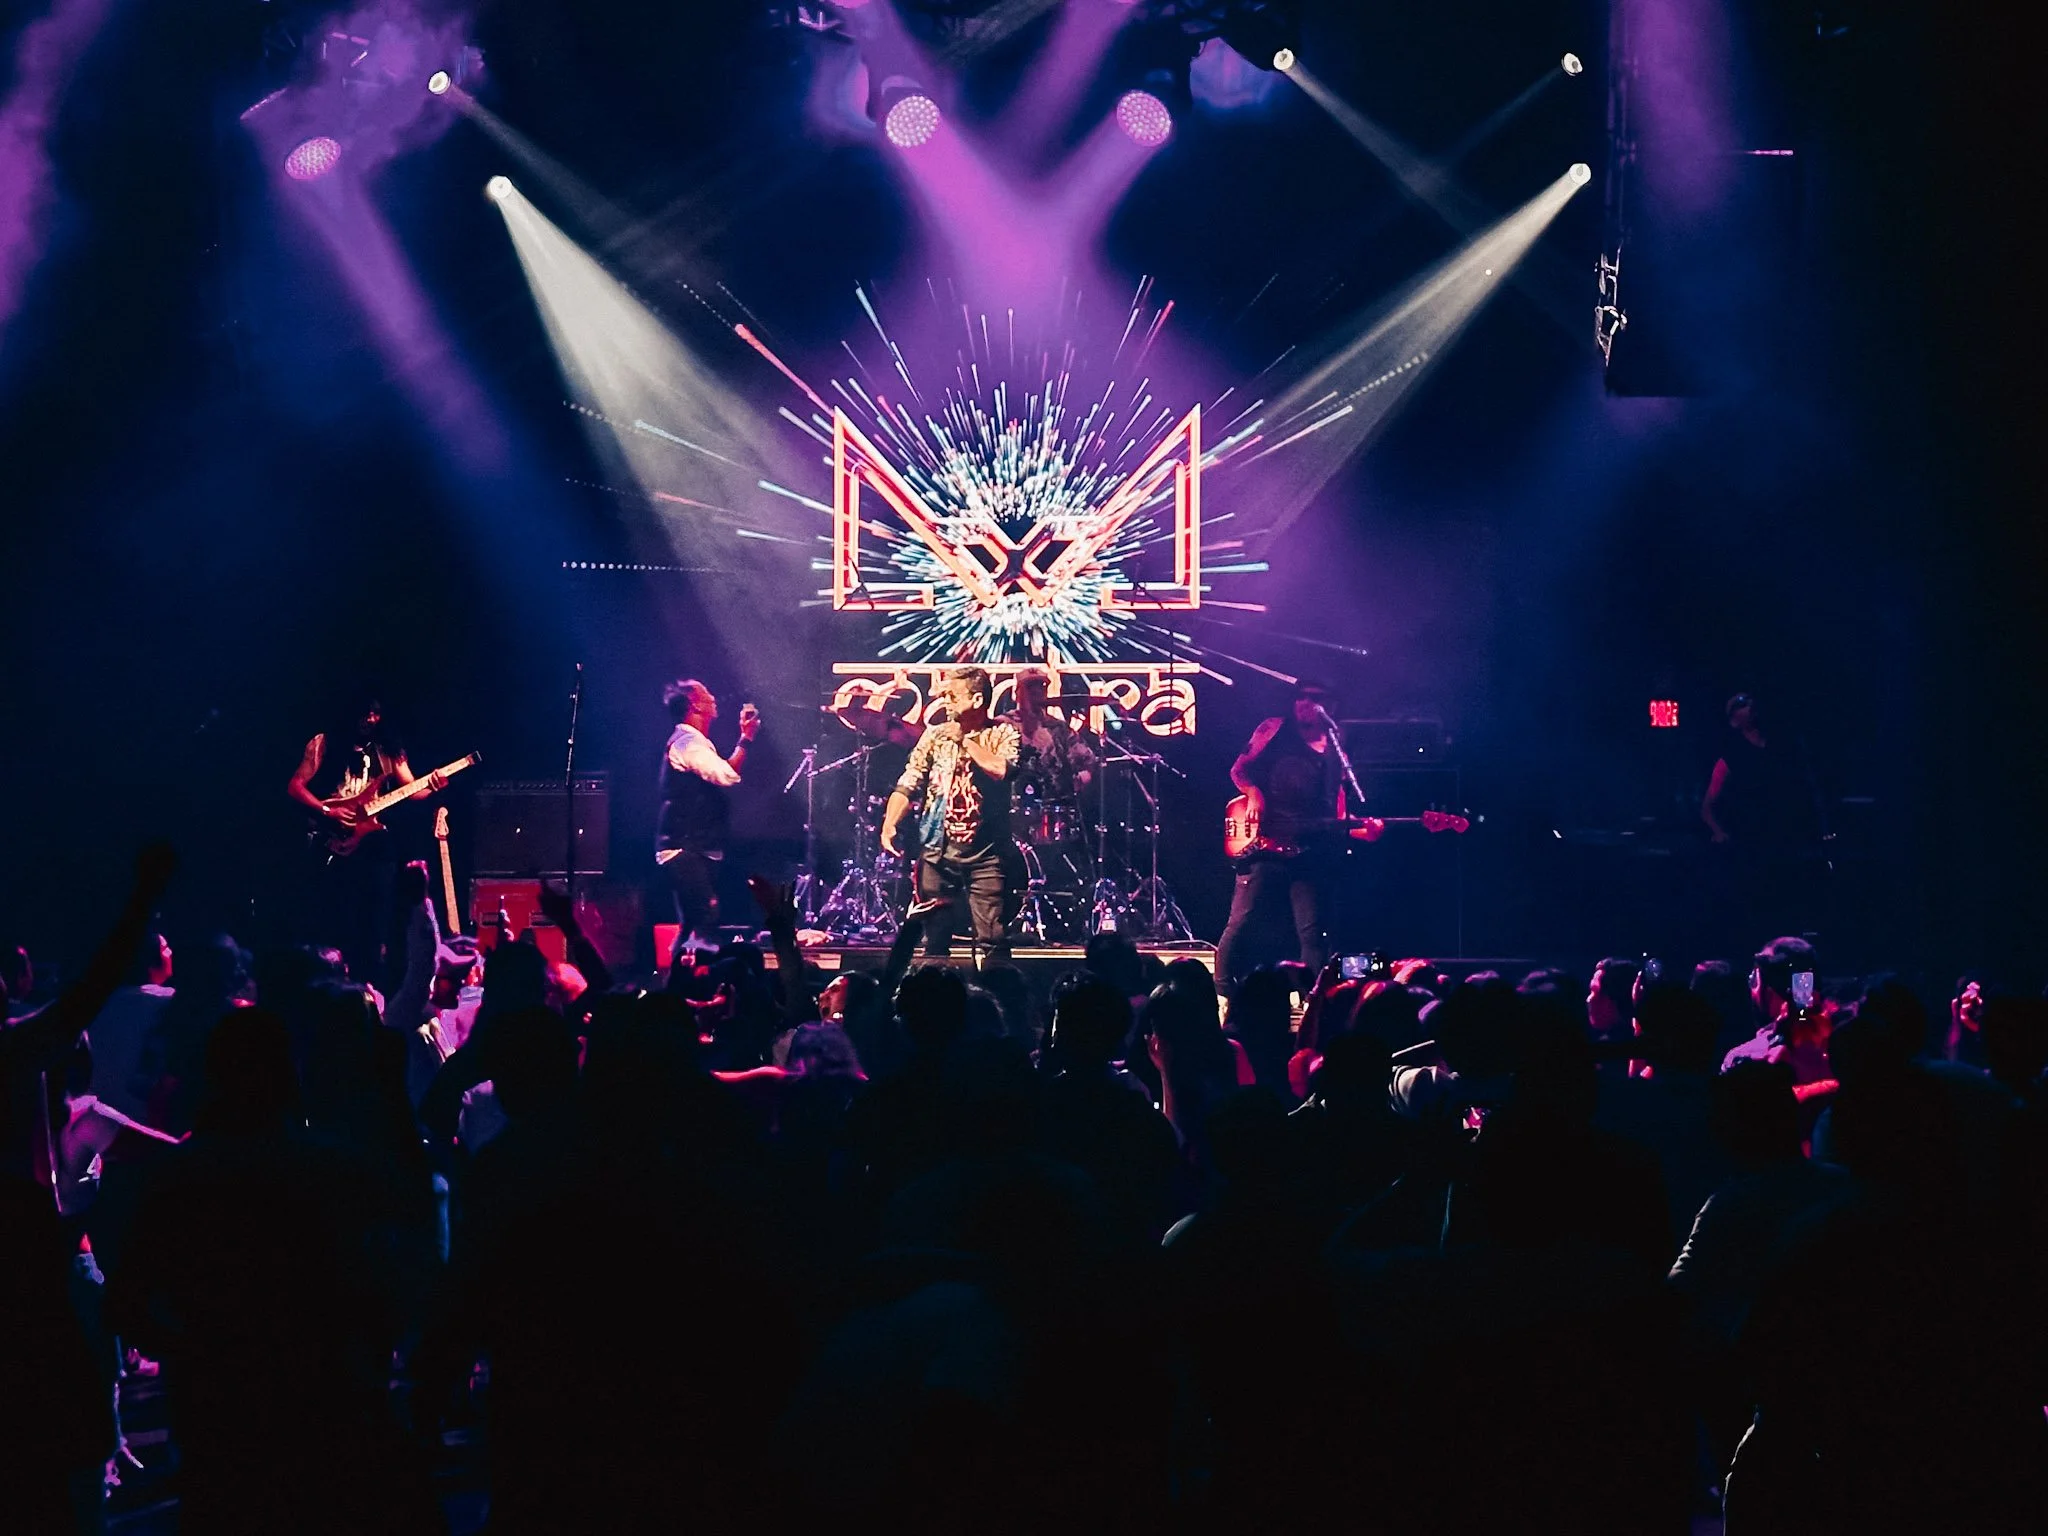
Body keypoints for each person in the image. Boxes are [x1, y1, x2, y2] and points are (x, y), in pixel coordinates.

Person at [1214, 678, 1378, 987]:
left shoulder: (1337, 747)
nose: (1304, 703)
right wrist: (1252, 793)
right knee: (1242, 921)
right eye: (1300, 697)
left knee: (1314, 932)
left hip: (1309, 849)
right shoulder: (1273, 728)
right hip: (1263, 842)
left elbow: (1338, 815)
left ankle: (1315, 997)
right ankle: (1221, 991)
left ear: (1331, 705)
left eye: (1314, 698)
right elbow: (1238, 769)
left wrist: (1362, 831)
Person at [287, 696, 444, 980]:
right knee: (333, 916)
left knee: (373, 918)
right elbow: (296, 786)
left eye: (375, 715)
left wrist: (432, 785)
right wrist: (326, 811)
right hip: (332, 839)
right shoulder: (324, 743)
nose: (371, 720)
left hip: (371, 846)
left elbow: (412, 790)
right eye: (365, 714)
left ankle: (369, 978)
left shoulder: (388, 750)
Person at [879, 667, 1022, 963]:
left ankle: (999, 997)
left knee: (992, 935)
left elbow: (1002, 770)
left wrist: (965, 740)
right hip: (937, 852)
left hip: (986, 853)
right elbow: (909, 782)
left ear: (978, 699)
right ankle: (933, 999)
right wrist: (889, 823)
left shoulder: (1002, 732)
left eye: (952, 695)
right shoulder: (934, 736)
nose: (946, 702)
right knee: (935, 936)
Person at [1700, 692, 1825, 940]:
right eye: (1741, 706)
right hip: (1748, 844)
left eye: (1750, 704)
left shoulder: (1782, 750)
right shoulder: (1730, 757)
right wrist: (1718, 831)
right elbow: (1707, 807)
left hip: (1781, 840)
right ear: (1734, 718)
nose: (1750, 708)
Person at [655, 678, 759, 962]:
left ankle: (675, 986)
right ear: (694, 705)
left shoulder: (695, 743)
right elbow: (725, 775)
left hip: (693, 847)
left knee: (691, 922)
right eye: (706, 693)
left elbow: (723, 773)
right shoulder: (688, 743)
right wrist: (745, 739)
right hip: (684, 846)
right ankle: (695, 985)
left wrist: (744, 738)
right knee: (705, 915)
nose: (713, 697)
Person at [1003, 663, 1097, 807]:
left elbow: (1087, 760)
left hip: (1055, 808)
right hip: (1013, 806)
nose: (1037, 691)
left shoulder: (1059, 727)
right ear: (1016, 693)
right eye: (1030, 687)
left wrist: (1077, 782)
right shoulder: (1003, 725)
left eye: (1042, 686)